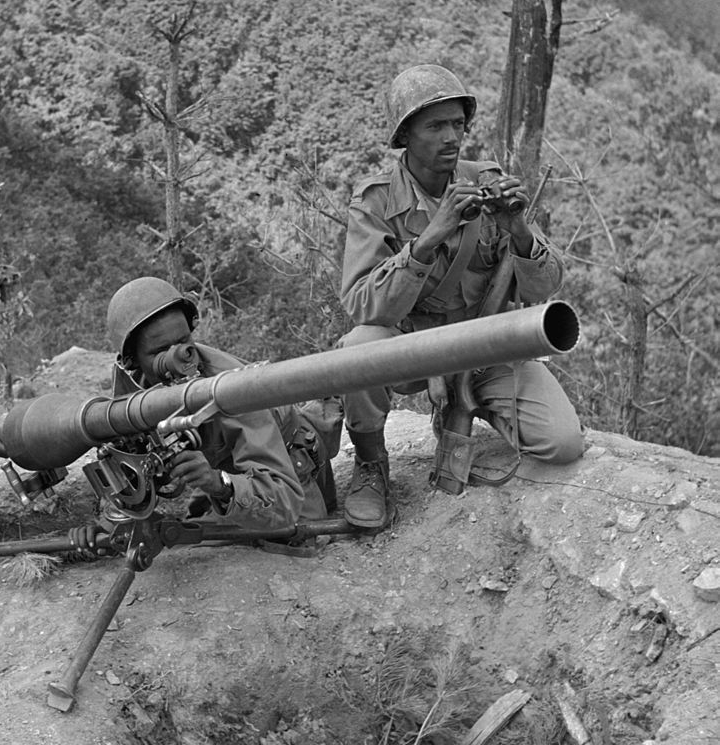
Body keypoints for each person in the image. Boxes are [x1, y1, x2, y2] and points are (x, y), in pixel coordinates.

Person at [337, 64, 584, 529]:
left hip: (482, 344)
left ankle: (463, 401)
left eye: (457, 124)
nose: (452, 137)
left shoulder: (487, 182)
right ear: (405, 135)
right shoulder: (375, 203)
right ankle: (371, 466)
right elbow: (362, 304)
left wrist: (518, 230)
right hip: (413, 347)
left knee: (562, 443)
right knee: (358, 349)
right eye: (435, 126)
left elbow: (545, 287)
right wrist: (428, 240)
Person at [73, 276, 337, 553]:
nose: (181, 357)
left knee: (282, 544)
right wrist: (107, 528)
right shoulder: (131, 388)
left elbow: (284, 501)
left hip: (288, 473)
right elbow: (130, 459)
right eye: (161, 351)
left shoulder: (232, 389)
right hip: (227, 465)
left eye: (184, 341)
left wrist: (219, 484)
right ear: (131, 360)